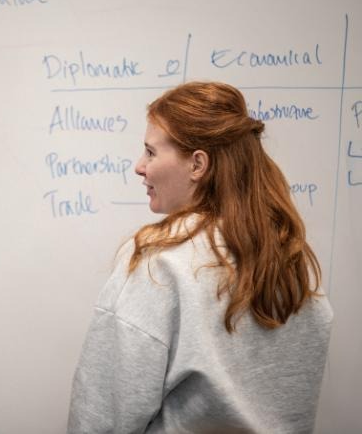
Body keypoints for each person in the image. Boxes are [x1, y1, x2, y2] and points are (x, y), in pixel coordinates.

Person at [67, 81, 333, 433]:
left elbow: (103, 415)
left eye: (151, 152)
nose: (139, 166)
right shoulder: (292, 260)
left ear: (197, 164)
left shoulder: (159, 263)